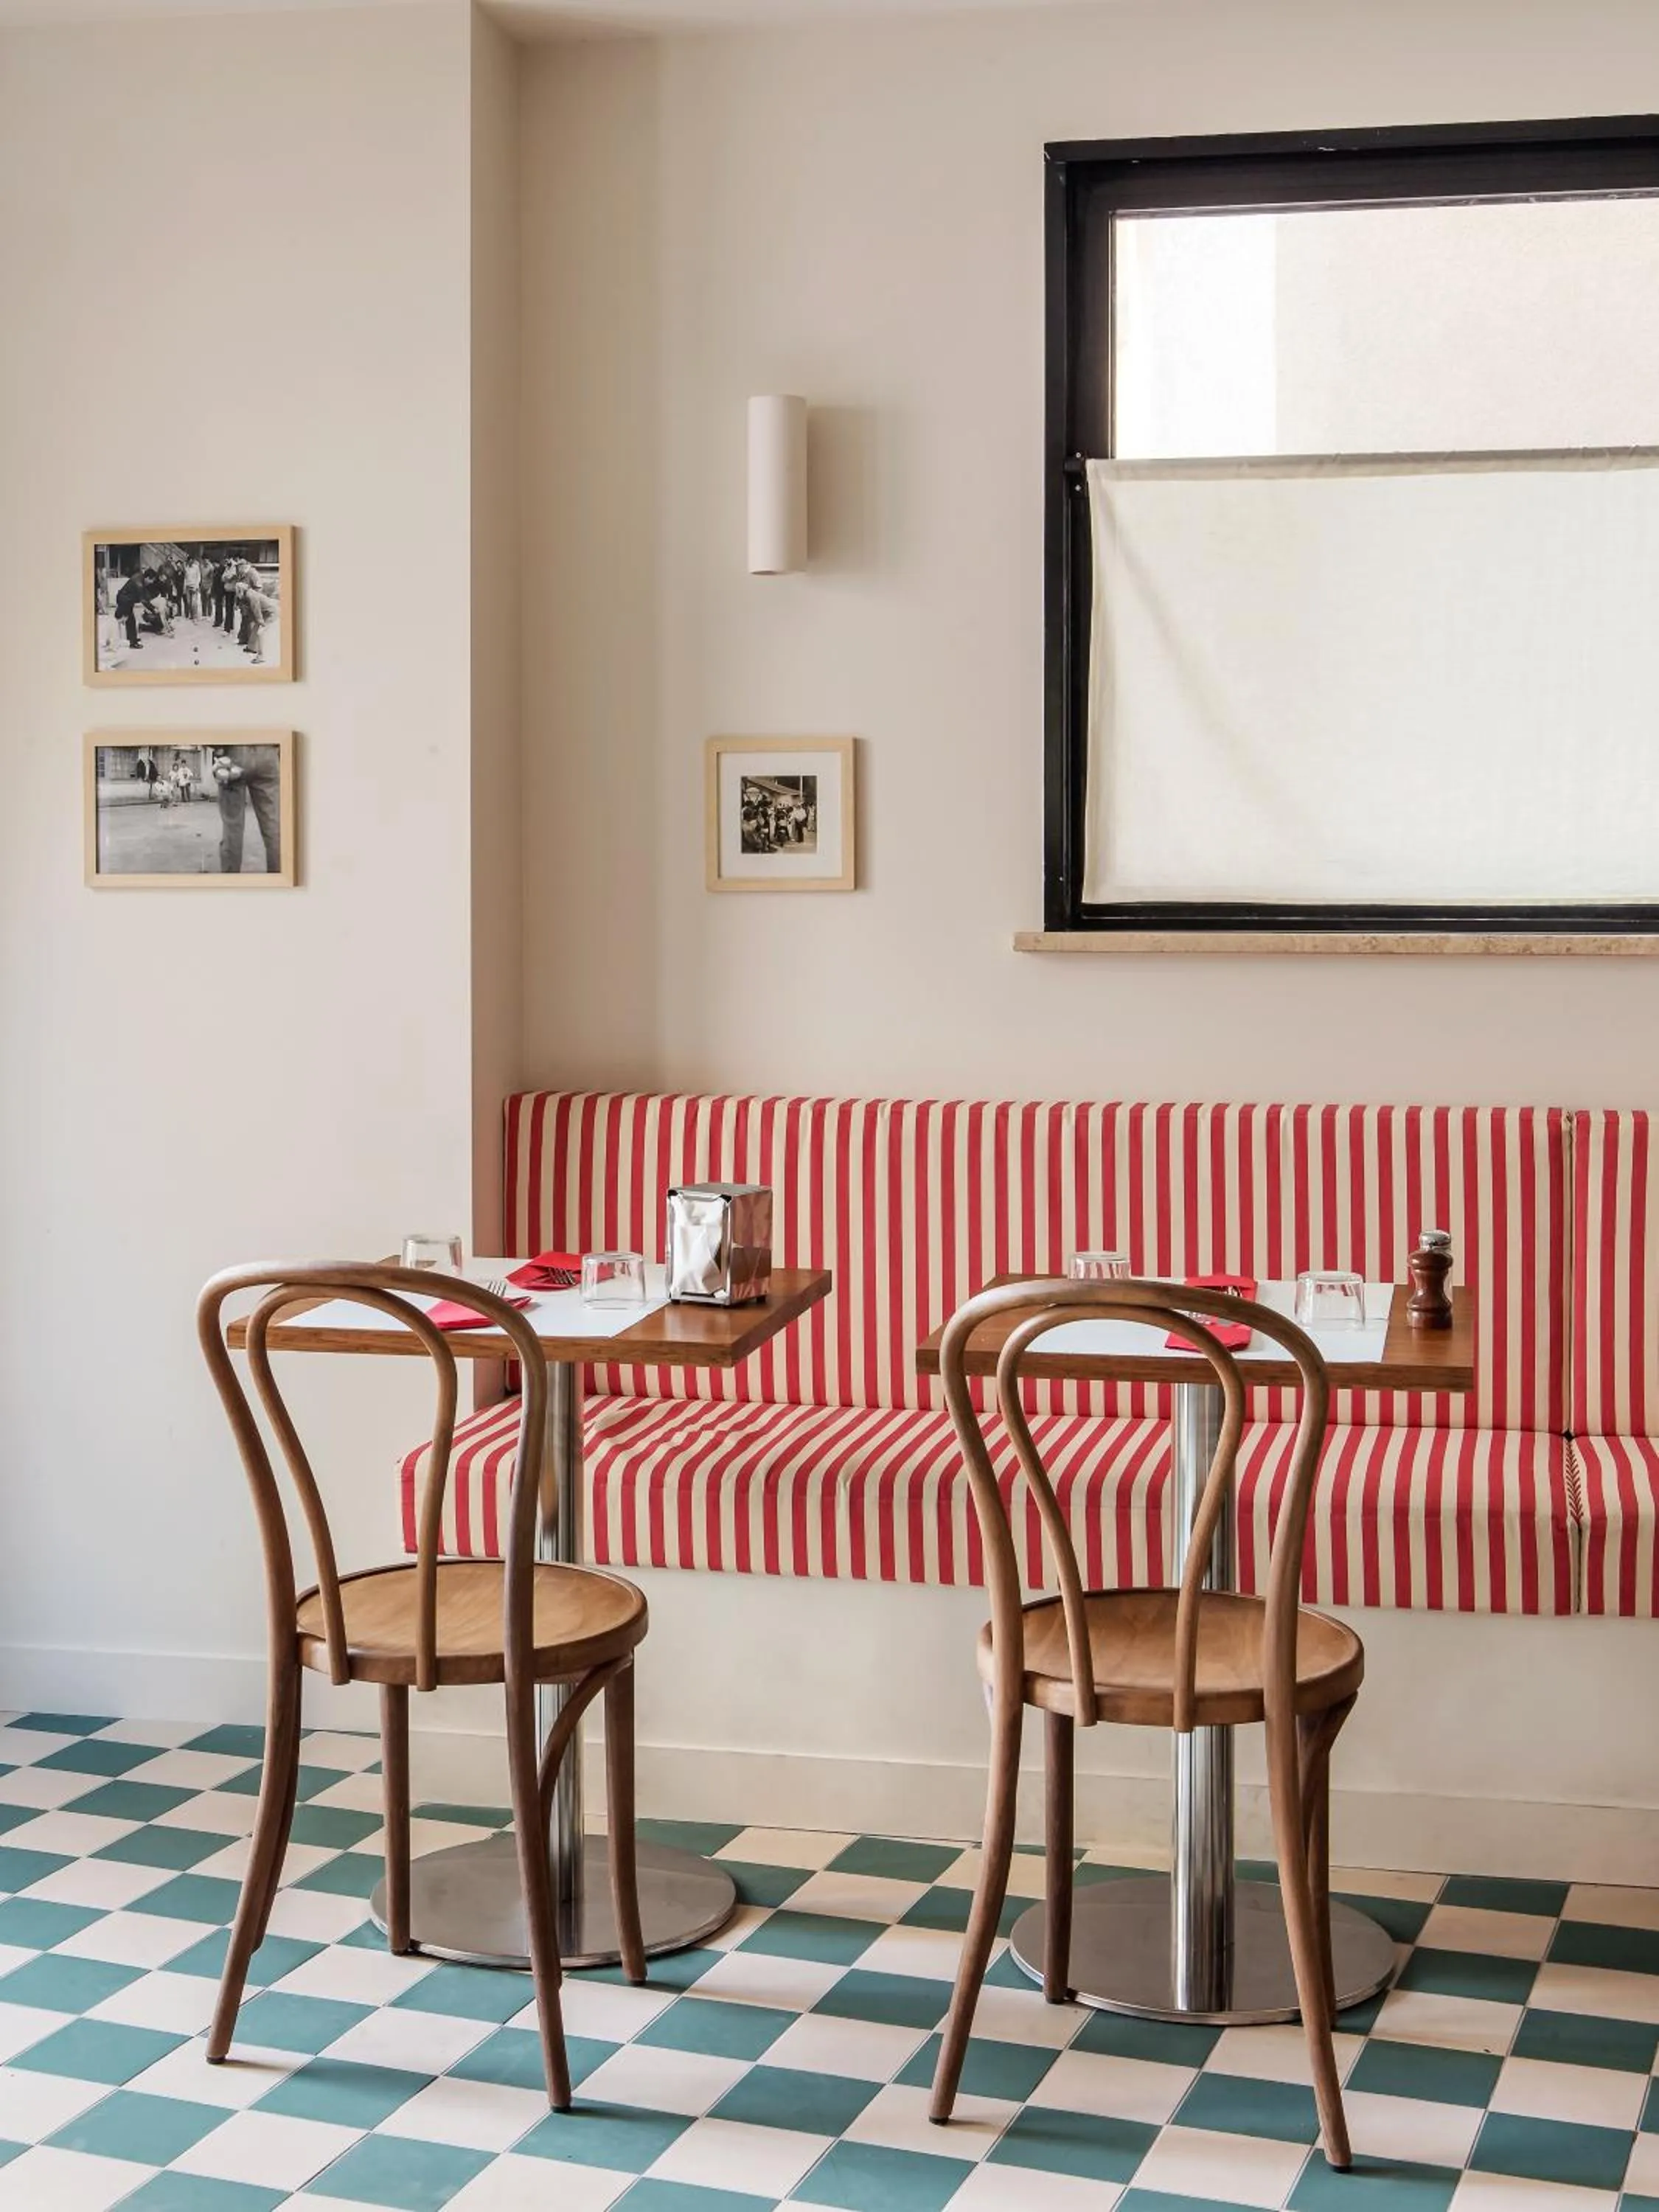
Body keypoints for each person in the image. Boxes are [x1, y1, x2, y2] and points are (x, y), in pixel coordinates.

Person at [212, 745, 282, 874]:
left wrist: (218, 748)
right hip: (268, 754)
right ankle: (280, 880)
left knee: (232, 828)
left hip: (235, 753)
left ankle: (230, 883)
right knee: (273, 827)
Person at [183, 554, 202, 621]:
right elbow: (185, 578)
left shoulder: (196, 567)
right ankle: (191, 615)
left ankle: (195, 616)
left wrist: (196, 586)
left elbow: (199, 577)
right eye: (189, 561)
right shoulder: (187, 568)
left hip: (194, 586)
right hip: (188, 586)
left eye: (192, 561)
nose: (190, 562)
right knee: (188, 602)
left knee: (194, 603)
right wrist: (184, 587)